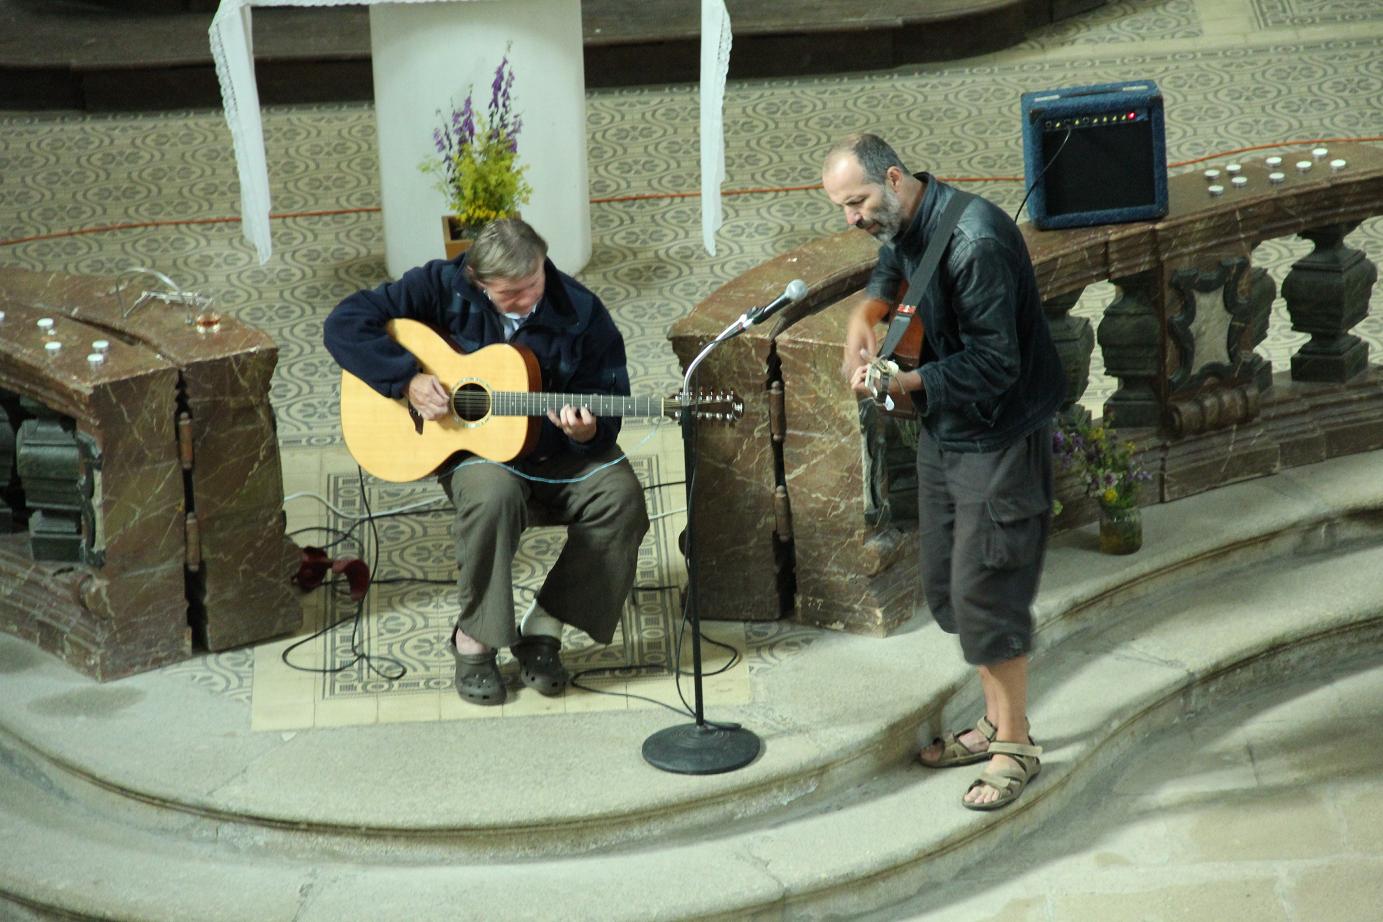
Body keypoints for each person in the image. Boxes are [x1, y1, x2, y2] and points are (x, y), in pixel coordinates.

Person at [821, 134, 1065, 810]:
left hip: (998, 435)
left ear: (894, 178)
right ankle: (990, 722)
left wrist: (909, 382)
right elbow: (891, 264)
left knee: (987, 589)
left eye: (857, 202)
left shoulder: (975, 242)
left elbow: (997, 364)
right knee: (949, 590)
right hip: (947, 430)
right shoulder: (907, 215)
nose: (852, 218)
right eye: (841, 208)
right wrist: (864, 314)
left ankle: (1013, 745)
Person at [324, 218, 650, 706]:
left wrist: (589, 431)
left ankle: (545, 627)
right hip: (475, 450)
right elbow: (343, 324)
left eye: (534, 283)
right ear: (478, 283)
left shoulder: (582, 311)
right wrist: (406, 379)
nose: (529, 299)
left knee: (621, 498)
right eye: (512, 293)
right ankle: (473, 639)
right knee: (493, 496)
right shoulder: (438, 285)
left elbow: (609, 395)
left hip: (556, 451)